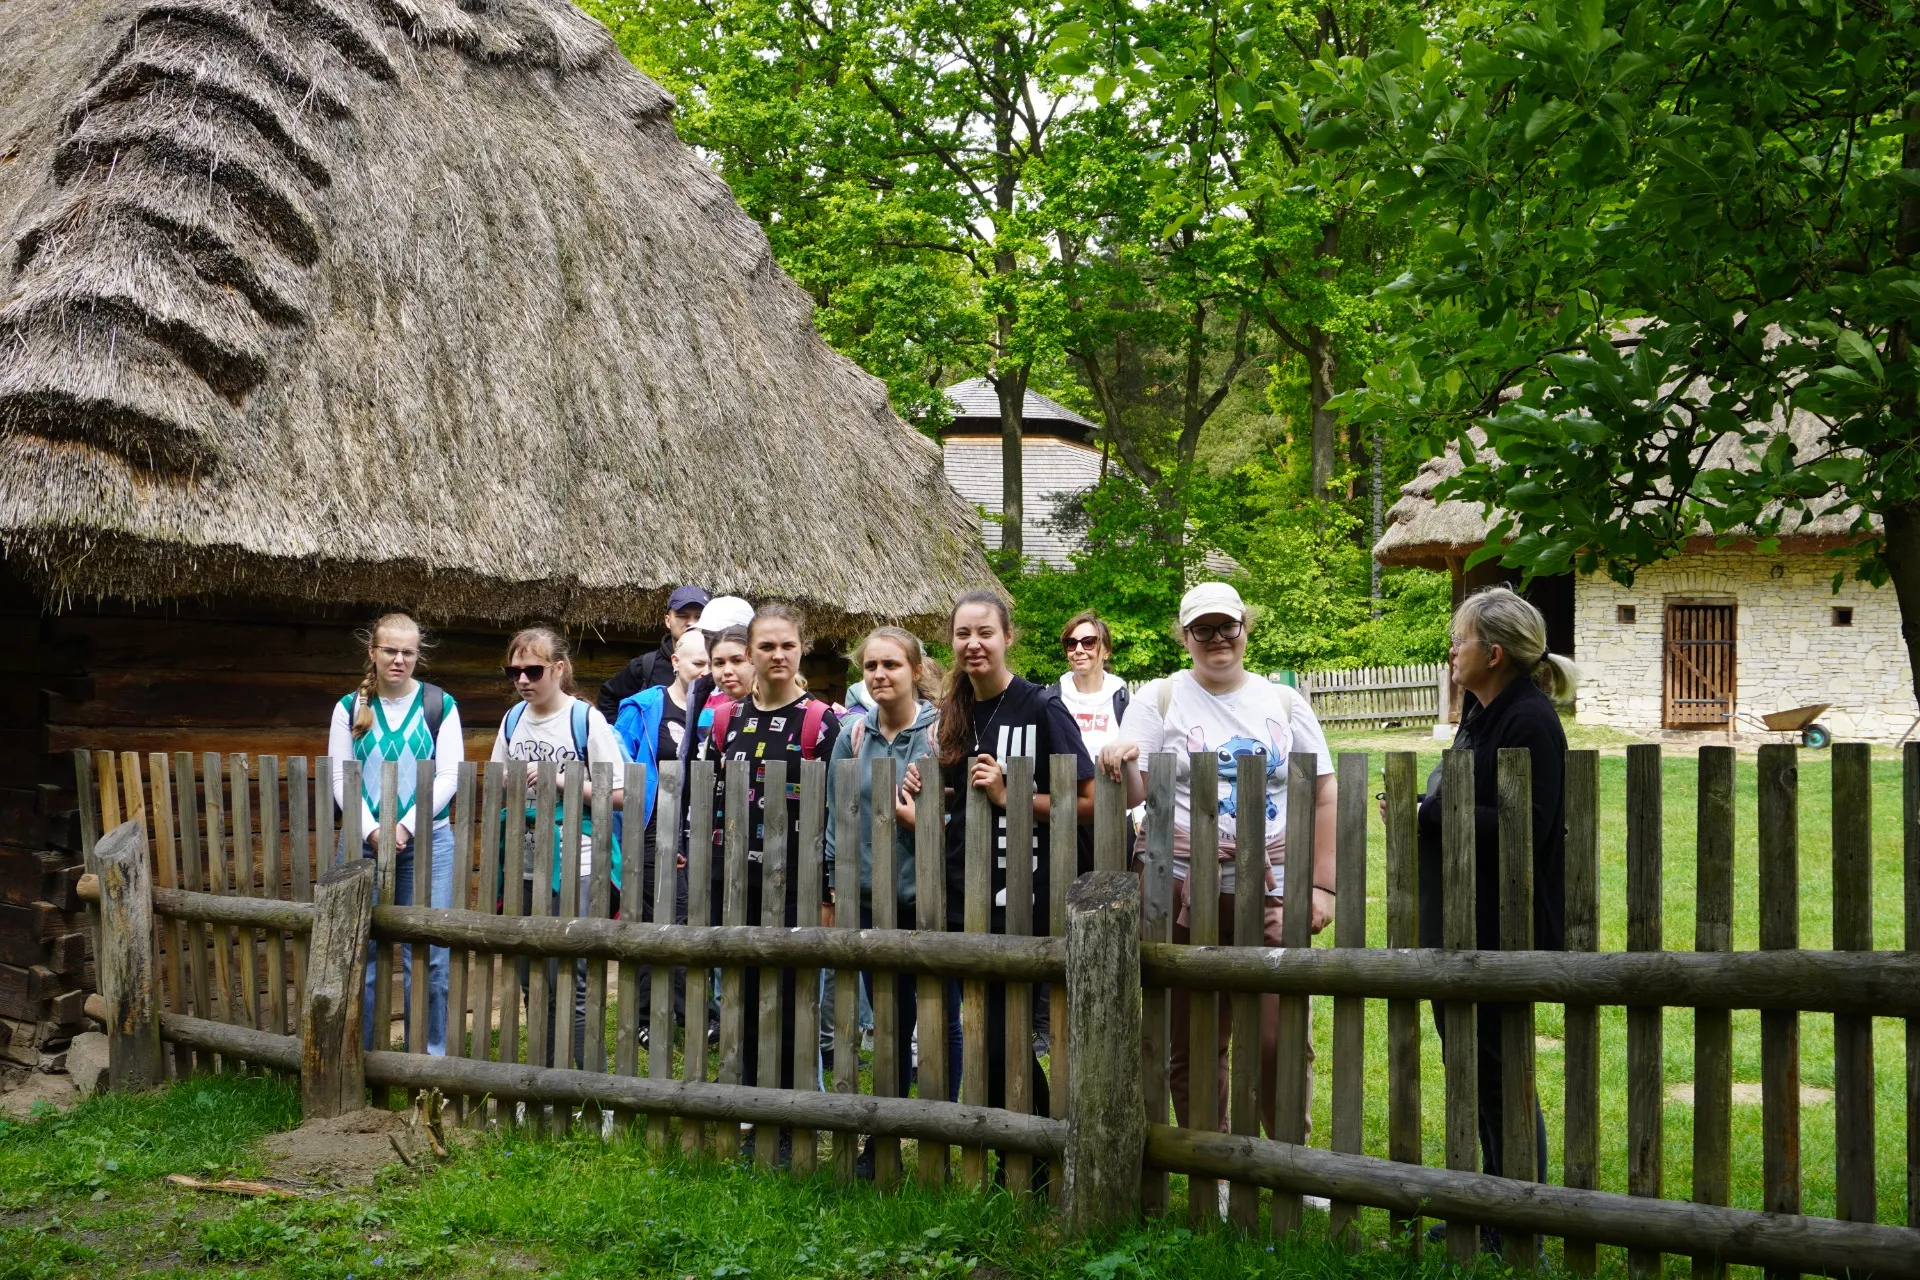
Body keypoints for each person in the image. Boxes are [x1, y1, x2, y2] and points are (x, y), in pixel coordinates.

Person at [1098, 580, 1336, 1147]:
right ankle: (1214, 1165)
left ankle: (1289, 1159)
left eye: (1227, 625)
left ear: (1244, 628)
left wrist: (1323, 886)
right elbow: (1135, 794)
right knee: (1196, 1037)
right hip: (1182, 889)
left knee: (1279, 1035)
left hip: (1271, 889)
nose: (1217, 638)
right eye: (1202, 629)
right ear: (1184, 637)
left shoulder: (1283, 702)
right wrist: (1120, 758)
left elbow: (1324, 792)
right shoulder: (1160, 698)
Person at [907, 591, 1094, 1180]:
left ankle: (1037, 1158)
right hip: (966, 889)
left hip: (1026, 893)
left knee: (1005, 1035)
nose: (973, 644)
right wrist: (926, 788)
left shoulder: (1042, 707)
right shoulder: (954, 712)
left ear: (1008, 636)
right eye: (963, 634)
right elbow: (956, 806)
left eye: (985, 632)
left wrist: (1011, 795)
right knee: (985, 1034)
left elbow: (1089, 802)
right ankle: (1024, 1159)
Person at [1413, 585, 1574, 1214]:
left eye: (1461, 639)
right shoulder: (1484, 712)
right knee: (1476, 1069)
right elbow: (1470, 794)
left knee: (1499, 1074)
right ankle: (1494, 1206)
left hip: (1502, 925)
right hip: (1467, 920)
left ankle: (1516, 1213)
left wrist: (1431, 813)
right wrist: (1430, 805)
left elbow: (1524, 825)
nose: (1452, 650)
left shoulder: (1527, 719)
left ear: (1495, 652)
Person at [705, 603, 840, 1159]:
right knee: (739, 995)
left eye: (787, 645)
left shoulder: (821, 722)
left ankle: (788, 1120)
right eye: (767, 646)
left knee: (790, 998)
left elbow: (836, 811)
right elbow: (711, 802)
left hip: (798, 883)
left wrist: (828, 890)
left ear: (802, 649)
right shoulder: (725, 721)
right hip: (737, 879)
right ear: (751, 652)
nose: (778, 655)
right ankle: (749, 1111)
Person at [823, 627, 949, 1175]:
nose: (880, 675)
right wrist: (834, 885)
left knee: (940, 1018)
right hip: (870, 898)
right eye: (871, 666)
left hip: (930, 899)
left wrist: (923, 817)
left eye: (891, 665)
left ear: (916, 670)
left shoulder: (942, 734)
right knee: (889, 1019)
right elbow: (835, 817)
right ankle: (884, 1139)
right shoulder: (851, 736)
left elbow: (960, 818)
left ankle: (940, 1135)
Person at [492, 626, 626, 1070]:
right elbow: (496, 781)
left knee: (576, 978)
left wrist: (562, 780)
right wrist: (511, 781)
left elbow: (621, 792)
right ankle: (545, 1083)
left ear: (558, 668)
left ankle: (590, 1087)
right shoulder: (512, 720)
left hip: (578, 862)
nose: (522, 680)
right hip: (525, 860)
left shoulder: (584, 720)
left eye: (533, 670)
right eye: (514, 672)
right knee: (533, 978)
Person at [328, 613, 463, 1054]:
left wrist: (404, 826)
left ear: (418, 655)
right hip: (362, 844)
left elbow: (448, 777)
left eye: (408, 652)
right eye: (390, 650)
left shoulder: (439, 705)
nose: (399, 660)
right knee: (359, 952)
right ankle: (362, 1058)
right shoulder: (349, 708)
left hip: (428, 844)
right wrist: (373, 831)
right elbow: (340, 777)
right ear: (373, 652)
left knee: (428, 955)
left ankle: (426, 1061)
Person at [612, 629, 710, 1042]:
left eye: (711, 664)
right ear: (675, 662)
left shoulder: (719, 711)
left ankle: (686, 1011)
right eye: (698, 663)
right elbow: (619, 765)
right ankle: (654, 1017)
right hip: (654, 828)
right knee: (665, 916)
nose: (705, 671)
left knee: (696, 917)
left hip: (703, 829)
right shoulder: (642, 708)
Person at [595, 585, 709, 719]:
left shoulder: (720, 666)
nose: (691, 623)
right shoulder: (645, 666)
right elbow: (608, 698)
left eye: (699, 617)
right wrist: (623, 731)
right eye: (683, 616)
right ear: (668, 620)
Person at [1056, 611, 1131, 758]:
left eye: (1089, 642)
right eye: (1071, 643)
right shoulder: (1052, 700)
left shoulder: (1126, 702)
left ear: (1106, 651)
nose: (1078, 650)